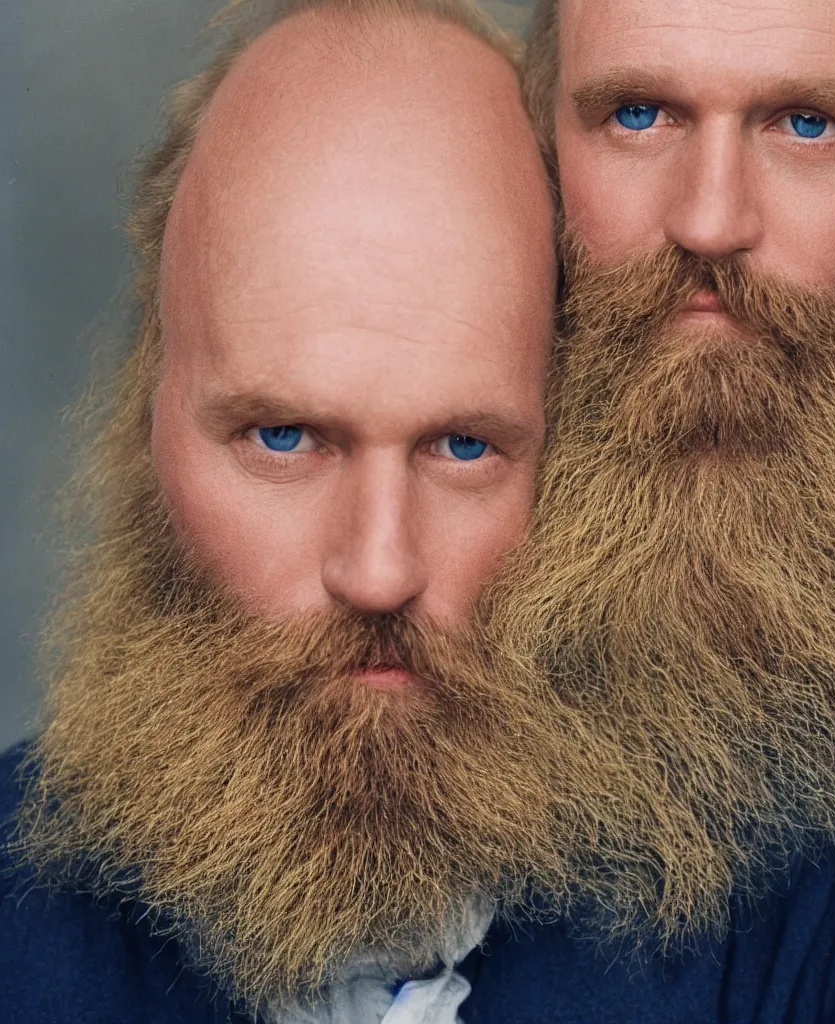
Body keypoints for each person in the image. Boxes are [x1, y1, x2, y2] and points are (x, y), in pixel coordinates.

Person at [456, 0, 835, 1020]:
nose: (711, 219)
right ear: (540, 144)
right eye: (637, 114)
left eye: (807, 124)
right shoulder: (368, 589)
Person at [0, 1, 559, 1021]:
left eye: (465, 447)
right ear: (146, 424)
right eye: (285, 439)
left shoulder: (787, 932)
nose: (379, 567)